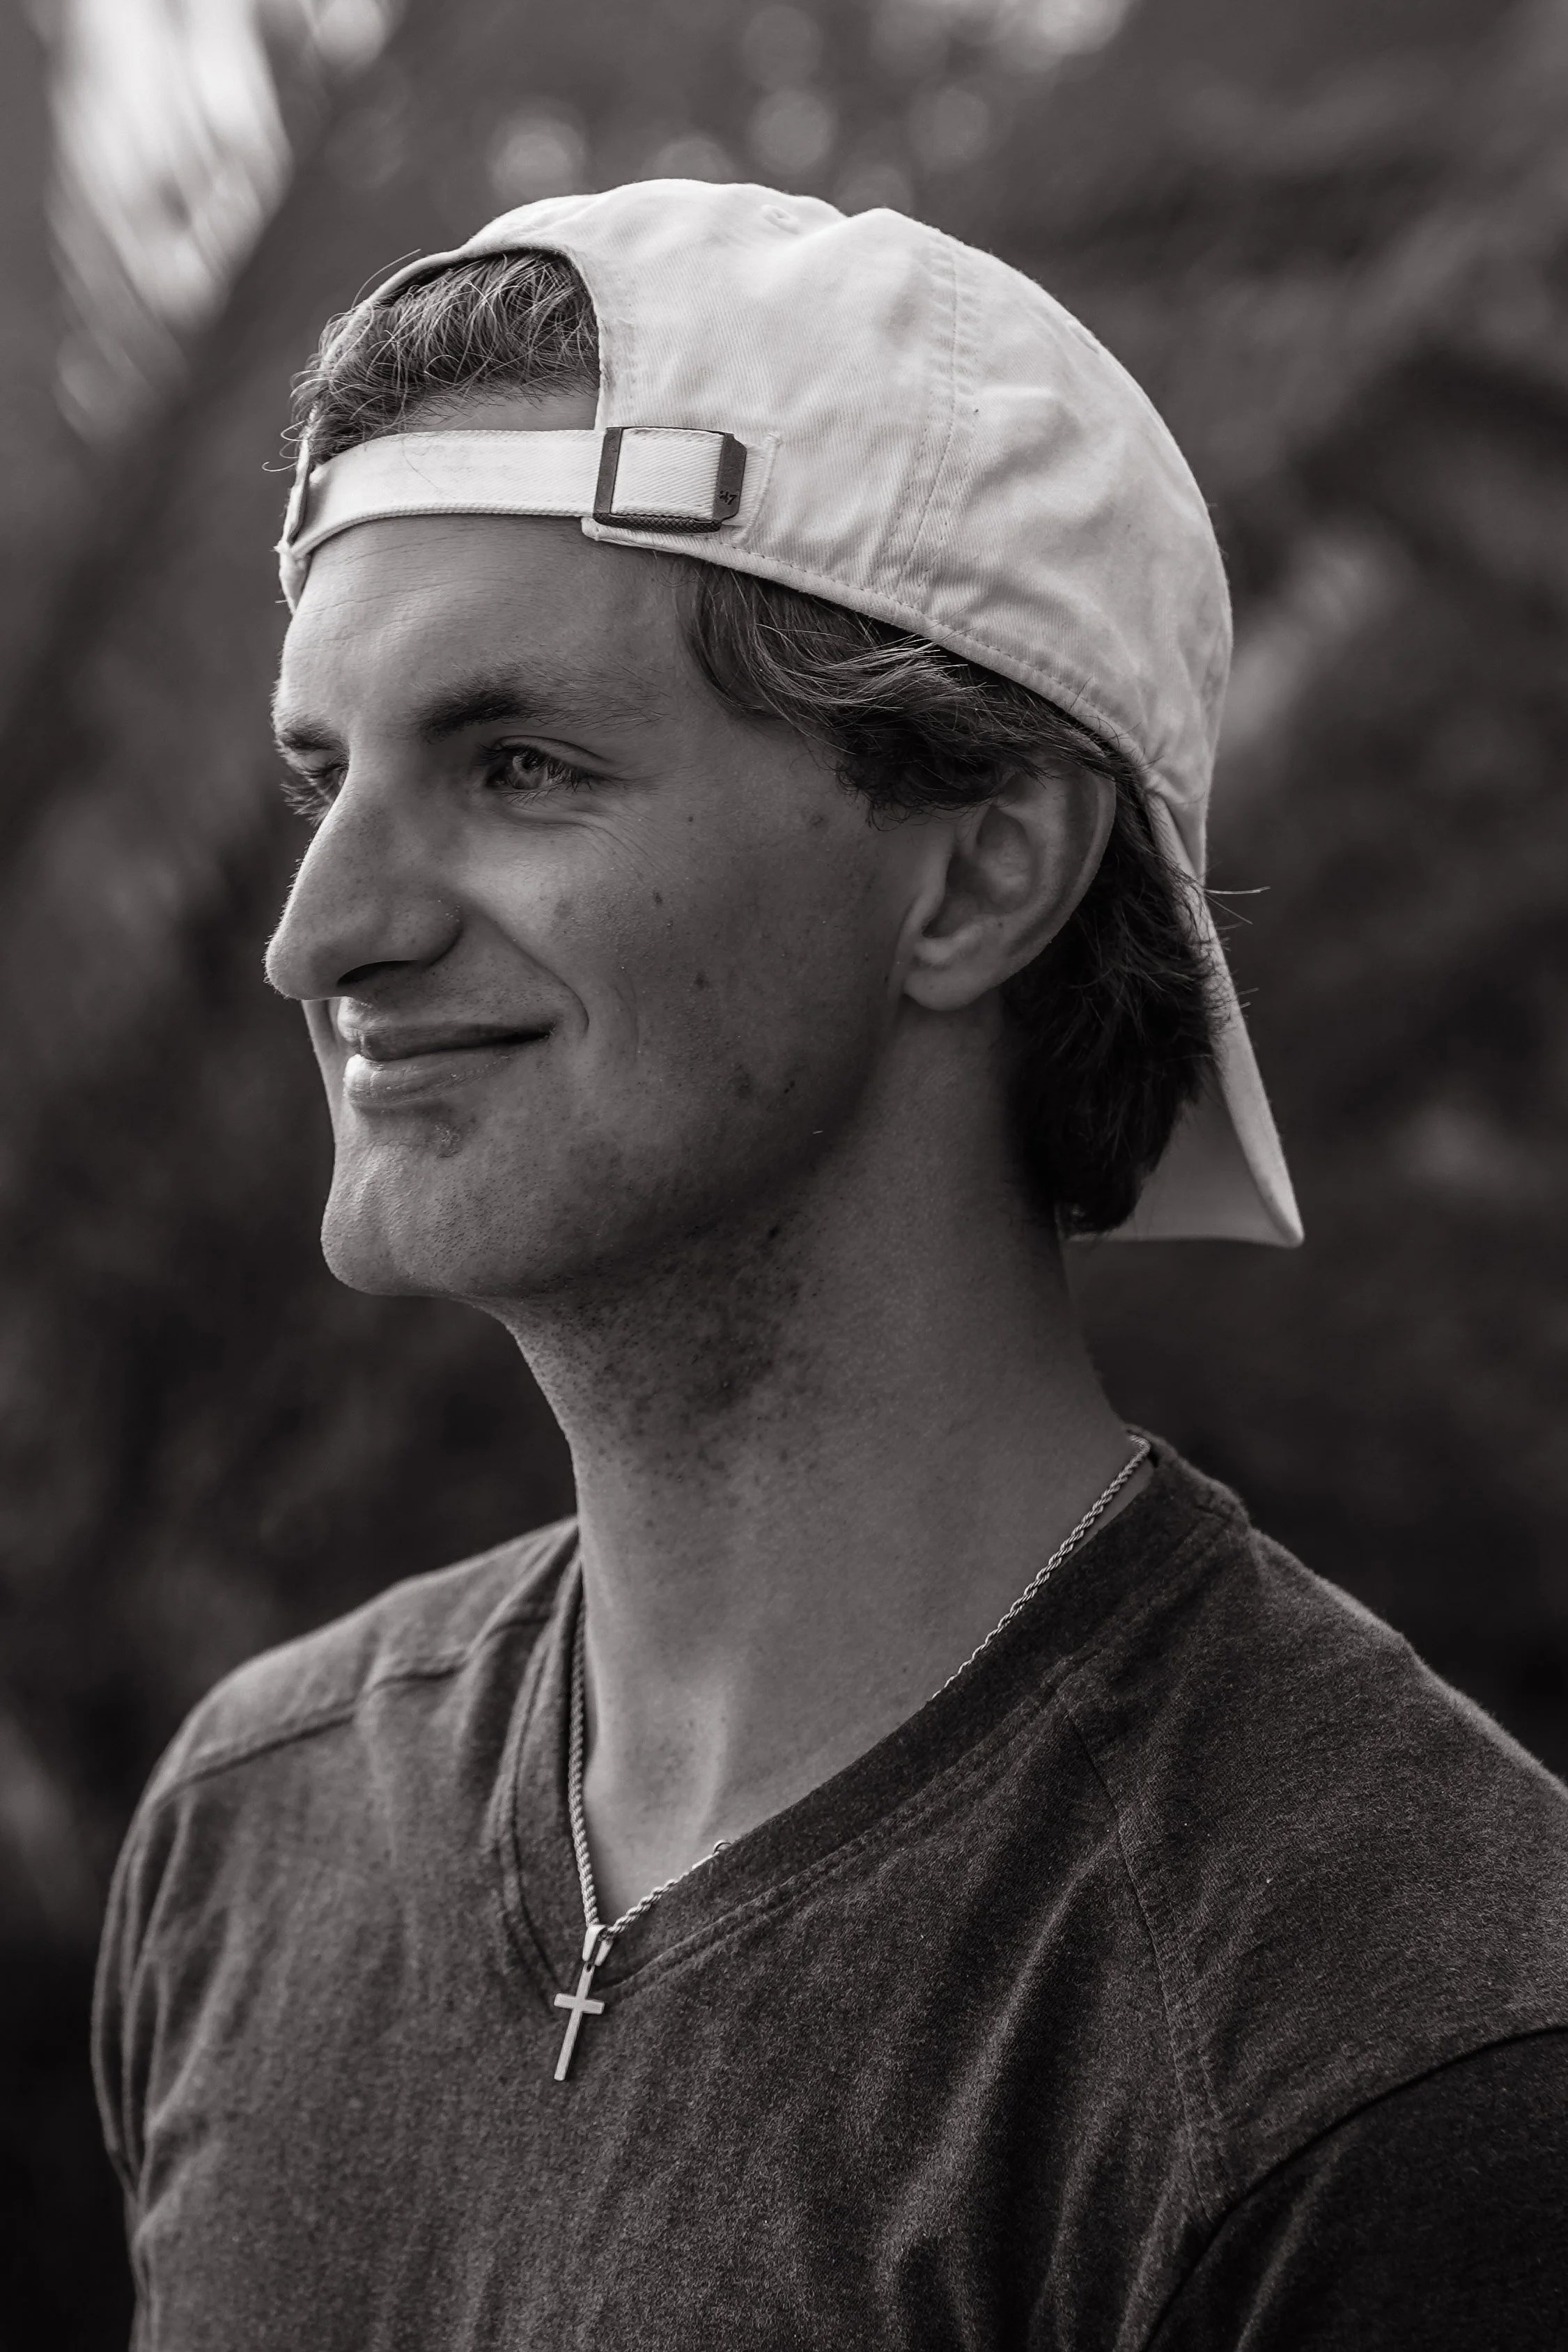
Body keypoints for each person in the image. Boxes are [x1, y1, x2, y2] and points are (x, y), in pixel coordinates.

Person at [94, 180, 1568, 2349]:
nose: (316, 936)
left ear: (981, 876)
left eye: (515, 766)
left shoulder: (1396, 2060)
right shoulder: (255, 1833)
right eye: (326, 777)